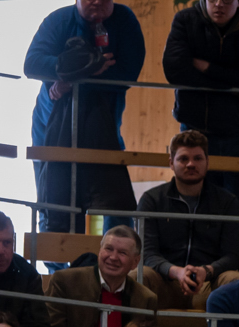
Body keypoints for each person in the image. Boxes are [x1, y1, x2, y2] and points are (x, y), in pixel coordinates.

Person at [26, 0, 148, 240]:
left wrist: (70, 78)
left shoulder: (125, 20)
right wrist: (91, 66)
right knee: (52, 199)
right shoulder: (58, 21)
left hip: (103, 128)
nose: (97, 2)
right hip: (51, 127)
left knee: (114, 199)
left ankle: (116, 254)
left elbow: (128, 72)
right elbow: (32, 64)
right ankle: (57, 262)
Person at [163, 0, 239, 211]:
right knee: (195, 203)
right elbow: (175, 71)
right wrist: (232, 85)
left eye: (226, 0)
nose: (219, 4)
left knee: (237, 205)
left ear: (238, 2)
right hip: (196, 130)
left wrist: (207, 68)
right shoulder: (185, 20)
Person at [138, 131, 239, 309]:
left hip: (209, 284)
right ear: (171, 163)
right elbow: (147, 253)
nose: (191, 164)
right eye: (183, 159)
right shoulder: (152, 200)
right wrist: (177, 272)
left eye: (197, 158)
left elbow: (232, 255)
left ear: (207, 162)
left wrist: (206, 271)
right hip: (165, 281)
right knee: (139, 275)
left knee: (237, 280)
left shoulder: (227, 202)